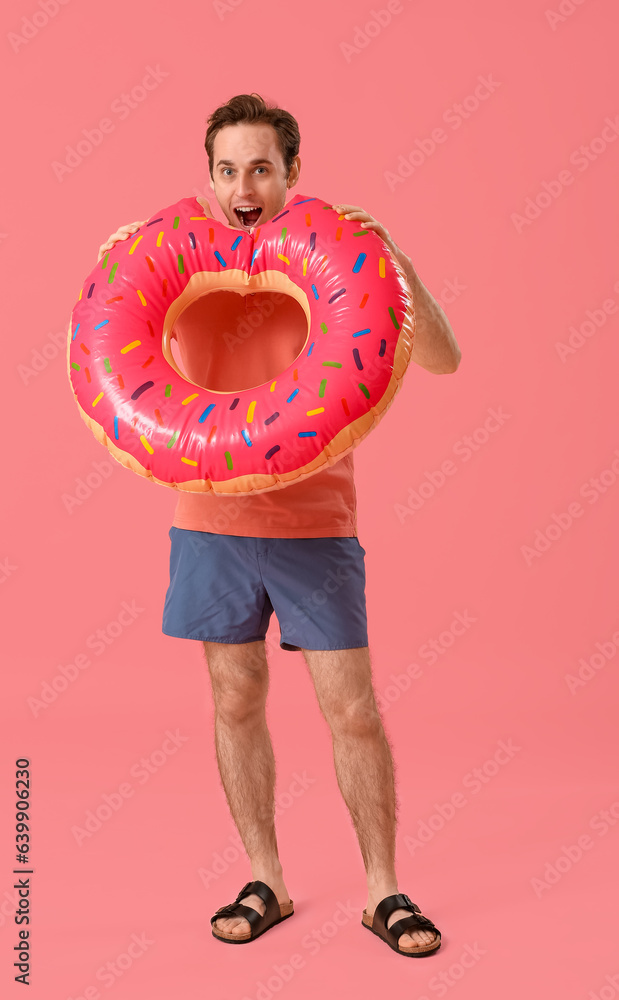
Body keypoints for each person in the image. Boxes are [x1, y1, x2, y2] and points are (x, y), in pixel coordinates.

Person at [97, 93, 461, 958]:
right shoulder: (174, 261)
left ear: (291, 174)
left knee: (353, 712)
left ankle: (384, 891)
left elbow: (443, 357)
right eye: (227, 169)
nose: (242, 186)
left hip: (315, 522)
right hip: (207, 523)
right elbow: (117, 341)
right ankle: (267, 877)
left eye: (260, 167)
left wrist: (395, 262)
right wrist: (116, 268)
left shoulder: (333, 260)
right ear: (210, 177)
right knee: (234, 699)